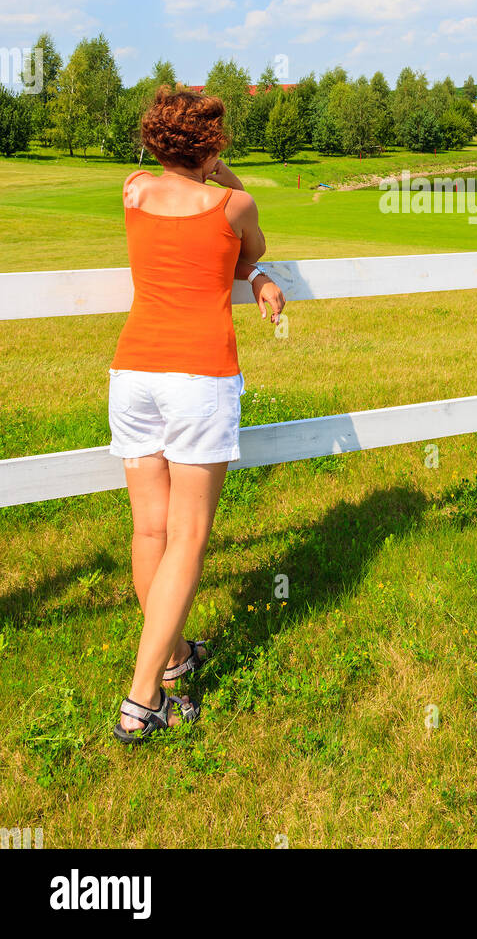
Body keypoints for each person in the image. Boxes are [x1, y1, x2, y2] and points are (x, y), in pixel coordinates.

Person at [108, 87, 285, 743]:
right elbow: (253, 248)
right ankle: (141, 694)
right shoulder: (234, 203)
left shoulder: (132, 191)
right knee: (185, 538)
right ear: (211, 146)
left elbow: (242, 261)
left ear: (154, 141)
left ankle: (177, 659)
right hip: (199, 378)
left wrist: (257, 277)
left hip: (132, 376)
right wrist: (260, 274)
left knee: (149, 535)